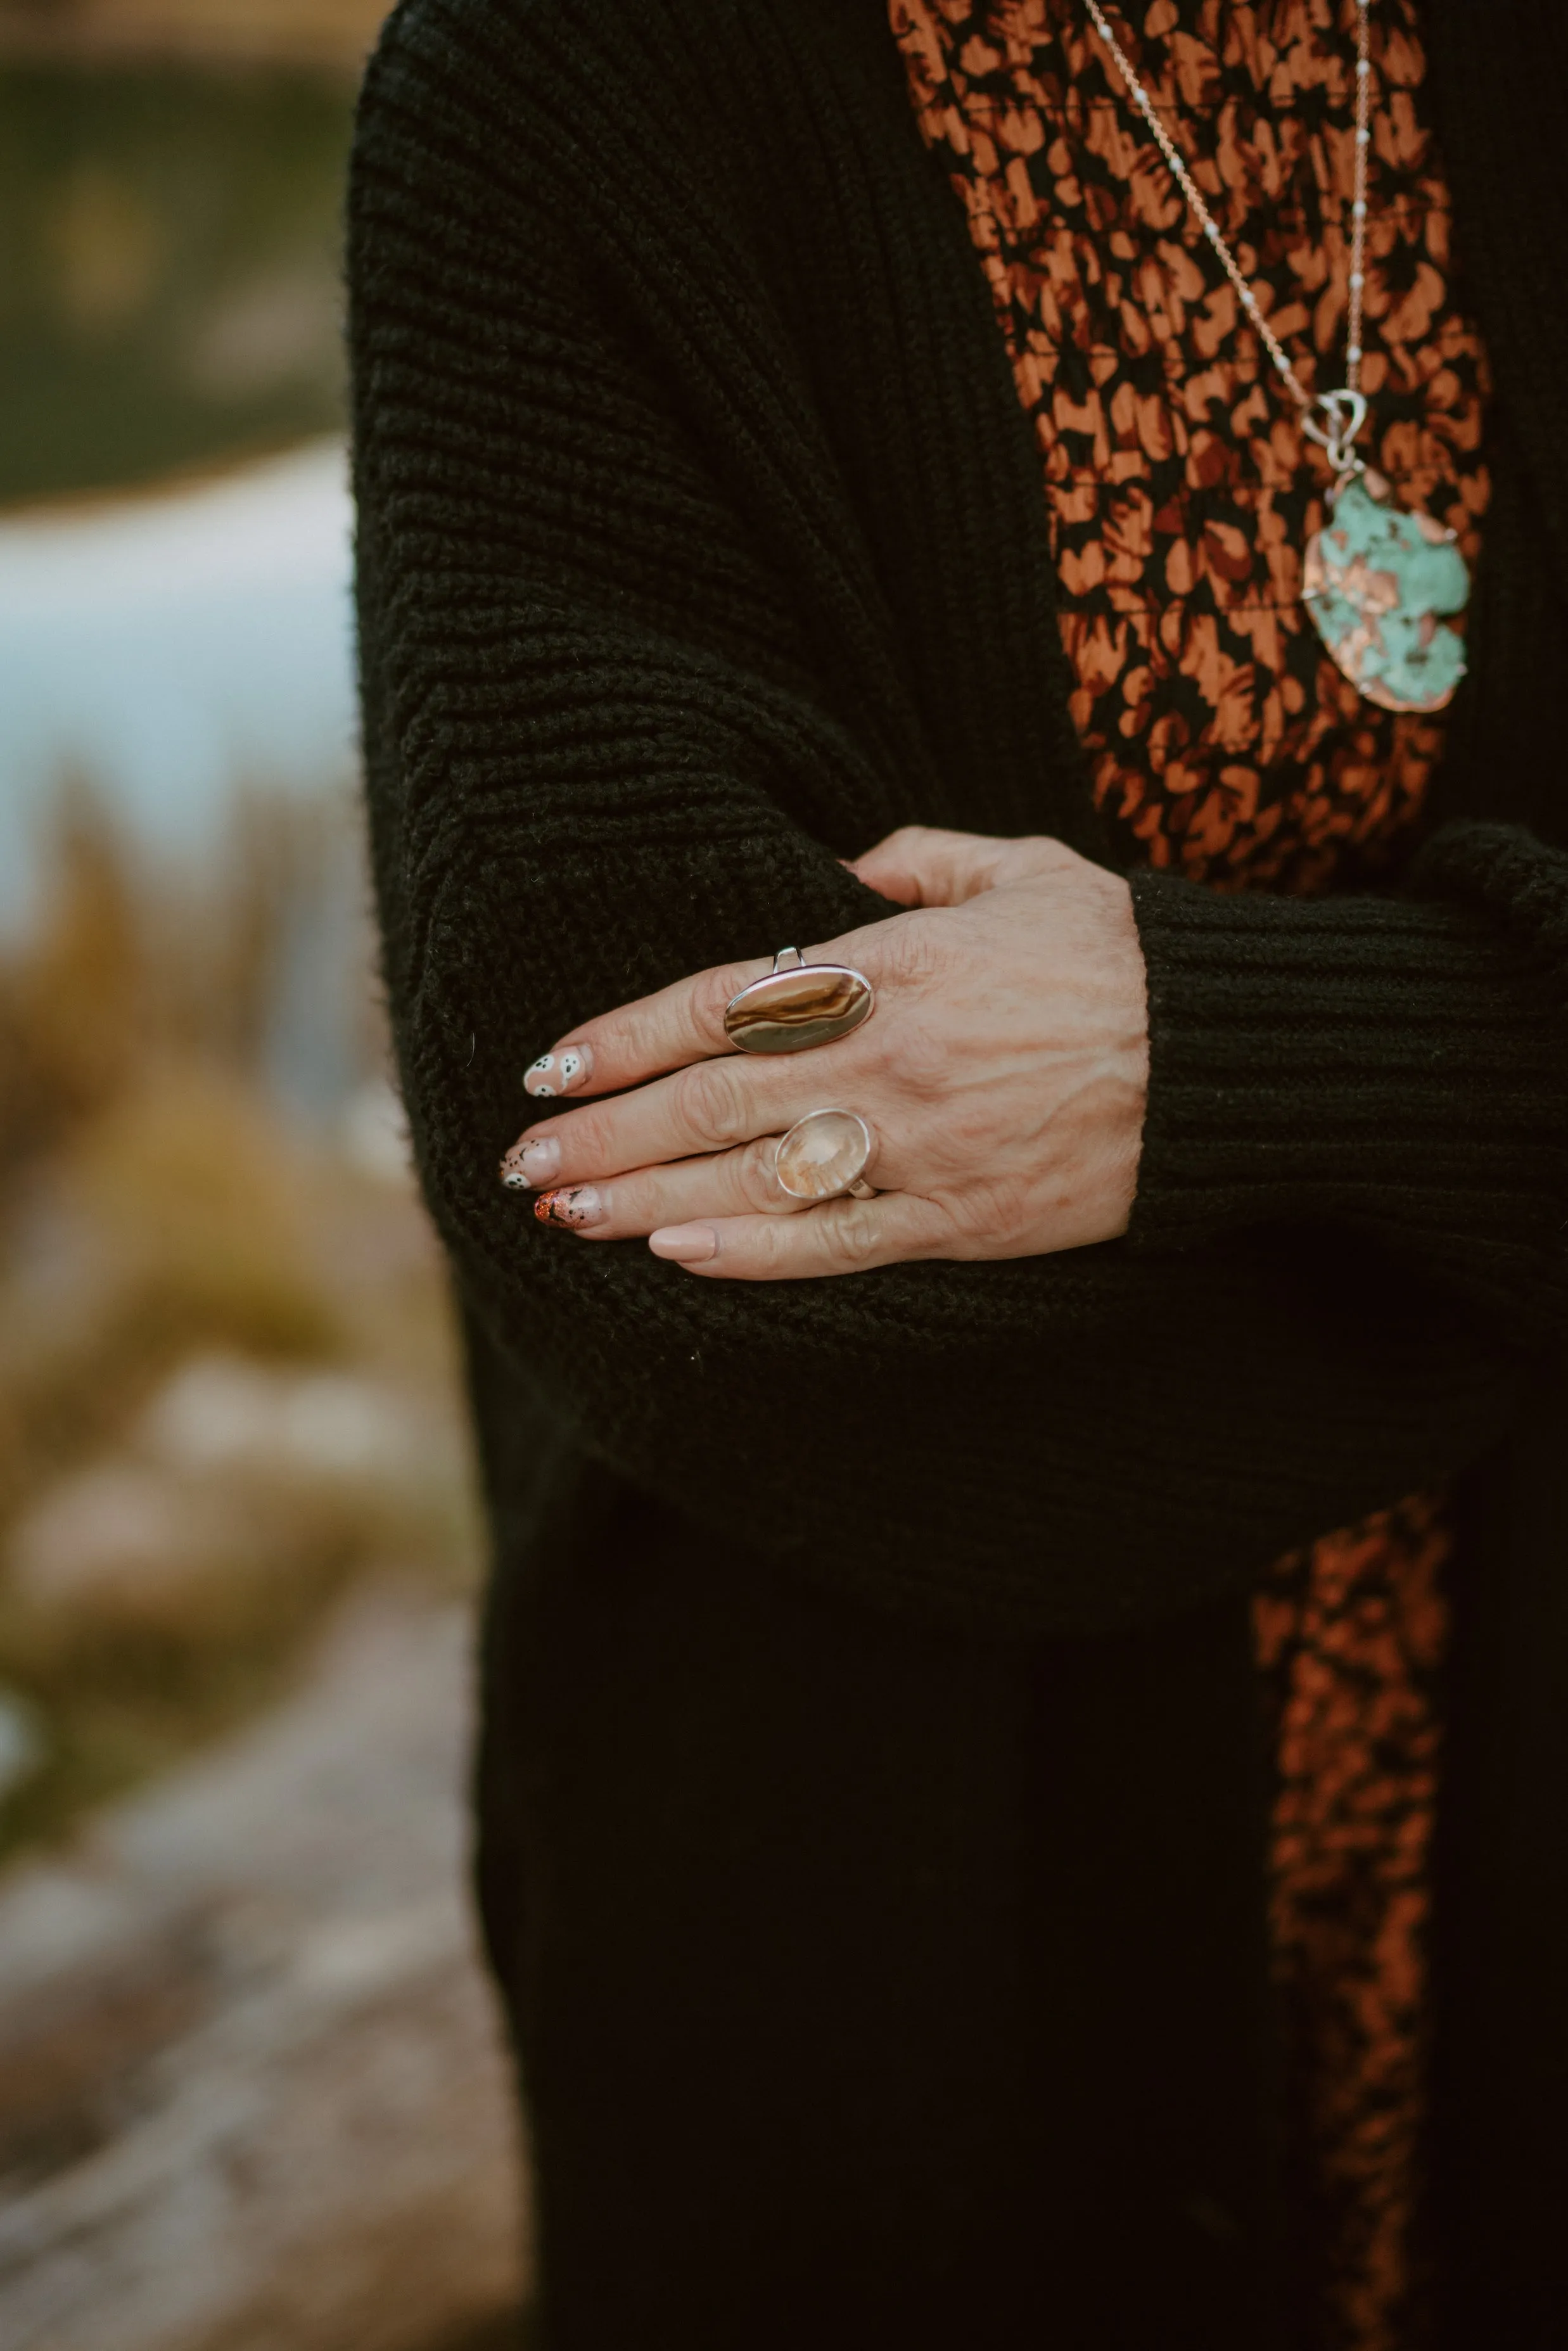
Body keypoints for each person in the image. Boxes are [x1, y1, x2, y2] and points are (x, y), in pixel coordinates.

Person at [347, 2, 1568, 2343]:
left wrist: (1218, 1066)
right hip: (881, 1874)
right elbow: (640, 1191)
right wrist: (1504, 1193)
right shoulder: (564, 76)